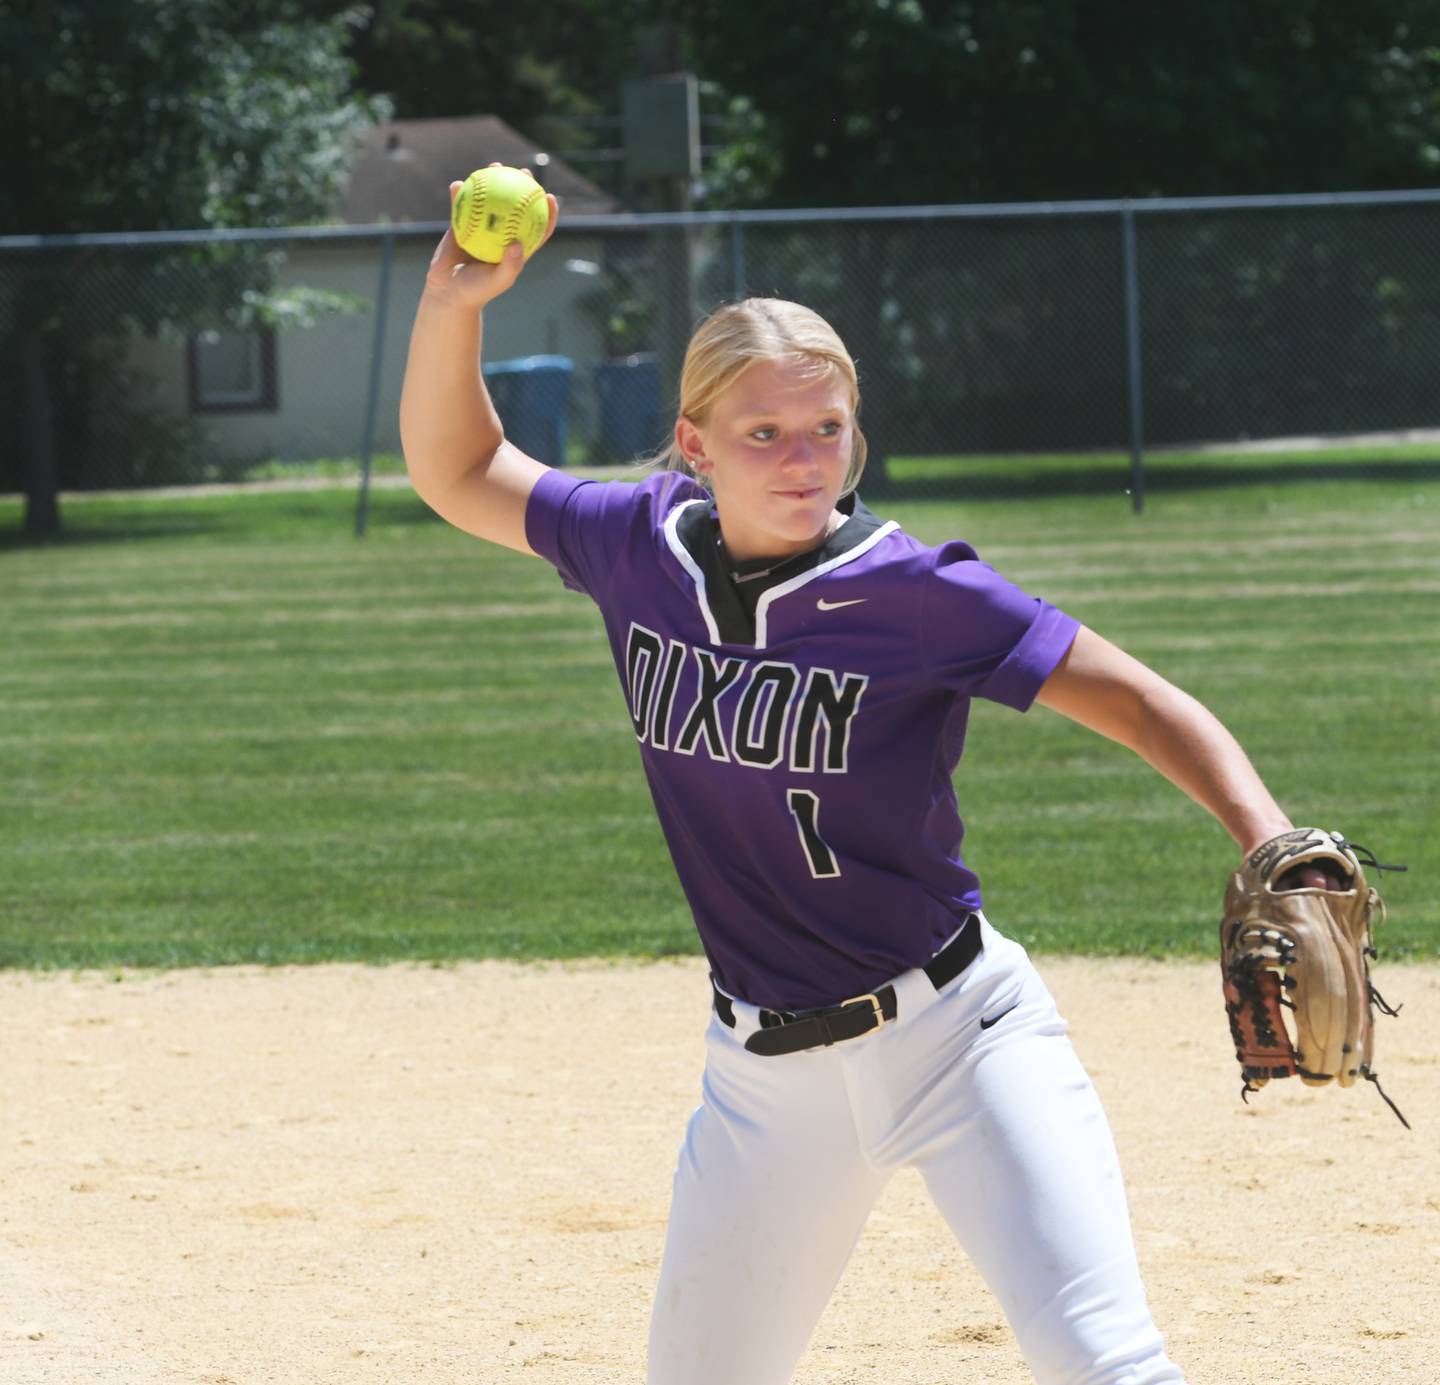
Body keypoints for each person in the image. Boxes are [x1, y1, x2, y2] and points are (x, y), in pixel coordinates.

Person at [400, 175, 1326, 1385]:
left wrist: (1271, 838)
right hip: (760, 1079)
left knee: (1105, 1360)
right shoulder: (636, 545)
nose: (803, 459)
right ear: (694, 444)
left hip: (962, 1035)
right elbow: (458, 468)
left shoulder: (918, 592)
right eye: (764, 433)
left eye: (827, 427)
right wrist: (450, 301)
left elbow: (1142, 700)